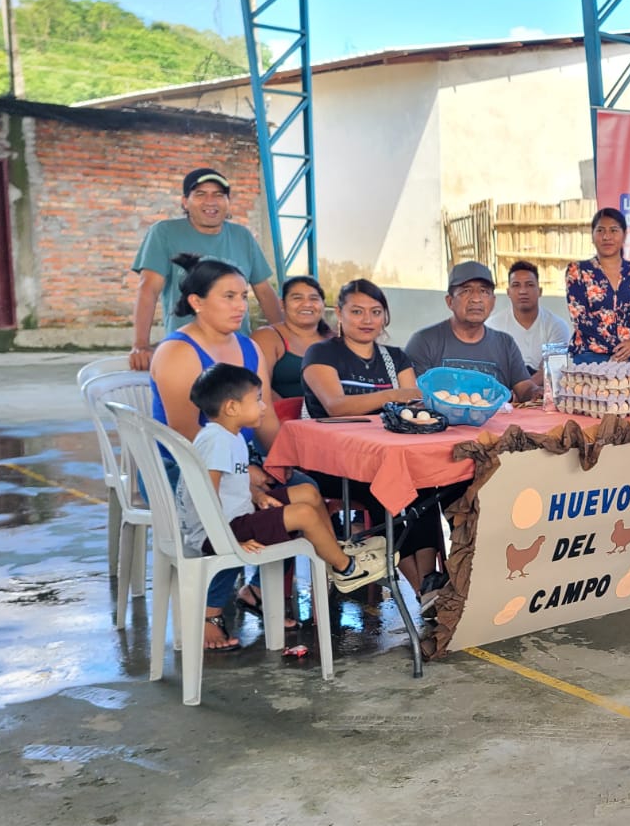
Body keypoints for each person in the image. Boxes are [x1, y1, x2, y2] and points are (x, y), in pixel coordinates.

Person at [181, 363, 386, 653]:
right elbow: (205, 491)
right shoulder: (216, 440)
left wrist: (256, 494)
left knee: (307, 493)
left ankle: (334, 553)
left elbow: (228, 481)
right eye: (257, 400)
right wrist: (230, 540)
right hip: (217, 530)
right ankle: (347, 569)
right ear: (231, 407)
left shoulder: (229, 435)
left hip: (232, 518)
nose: (264, 406)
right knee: (304, 514)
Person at [149, 254, 286, 650]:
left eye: (243, 296)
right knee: (240, 506)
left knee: (298, 488)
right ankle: (210, 610)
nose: (241, 305)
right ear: (197, 301)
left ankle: (258, 589)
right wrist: (247, 478)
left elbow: (264, 416)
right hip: (185, 465)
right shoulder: (177, 352)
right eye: (229, 296)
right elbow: (188, 437)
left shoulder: (248, 347)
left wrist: (281, 465)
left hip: (235, 459)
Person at [303, 279, 446, 595]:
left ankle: (429, 583)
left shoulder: (395, 357)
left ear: (385, 317)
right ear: (339, 314)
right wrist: (393, 395)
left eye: (375, 312)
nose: (367, 319)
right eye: (357, 311)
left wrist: (410, 399)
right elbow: (336, 406)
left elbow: (415, 405)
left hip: (388, 457)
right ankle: (423, 590)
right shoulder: (321, 353)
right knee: (387, 489)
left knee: (425, 486)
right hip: (334, 465)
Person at [130, 168, 280, 371]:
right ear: (185, 202)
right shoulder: (165, 232)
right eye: (200, 194)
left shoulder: (242, 236)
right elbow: (149, 288)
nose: (211, 201)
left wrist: (283, 337)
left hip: (237, 350)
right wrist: (140, 344)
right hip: (188, 350)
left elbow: (264, 291)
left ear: (228, 202)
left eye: (218, 194)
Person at [405, 262, 533, 399]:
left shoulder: (505, 344)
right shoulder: (424, 342)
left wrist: (538, 392)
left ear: (493, 301)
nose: (476, 299)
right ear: (450, 301)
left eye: (484, 292)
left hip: (496, 414)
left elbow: (525, 388)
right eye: (466, 291)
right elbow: (413, 396)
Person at [565, 207, 630, 364]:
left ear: (624, 235)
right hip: (589, 358)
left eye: (613, 230)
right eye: (600, 230)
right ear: (592, 236)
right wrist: (617, 347)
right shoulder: (577, 271)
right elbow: (581, 318)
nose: (607, 236)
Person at [489, 260, 572, 397]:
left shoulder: (557, 326)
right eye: (516, 285)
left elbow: (552, 368)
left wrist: (524, 391)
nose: (523, 291)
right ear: (508, 292)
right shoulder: (493, 326)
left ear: (540, 291)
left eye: (529, 285)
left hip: (542, 395)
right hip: (503, 395)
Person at [253, 275, 333, 414]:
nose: (307, 304)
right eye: (297, 298)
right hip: (280, 417)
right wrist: (295, 417)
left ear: (323, 305)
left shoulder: (335, 340)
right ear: (282, 304)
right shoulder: (267, 336)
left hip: (332, 420)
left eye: (314, 298)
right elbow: (257, 388)